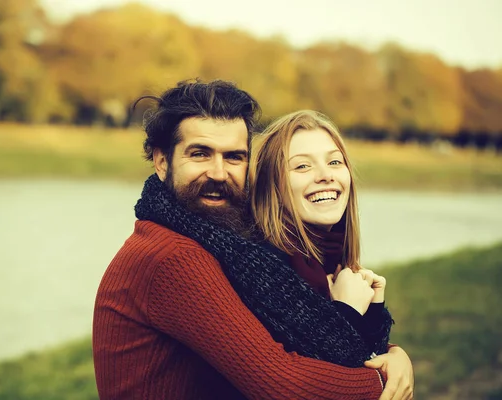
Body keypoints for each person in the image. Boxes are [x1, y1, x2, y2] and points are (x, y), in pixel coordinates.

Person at [92, 79, 414, 399]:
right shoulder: (173, 256)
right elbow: (282, 385)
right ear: (162, 162)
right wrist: (383, 379)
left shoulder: (223, 243)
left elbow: (279, 337)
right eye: (200, 154)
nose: (218, 173)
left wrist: (392, 353)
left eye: (234, 157)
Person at [251, 110, 412, 397]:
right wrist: (347, 309)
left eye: (334, 162)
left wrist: (388, 344)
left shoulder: (330, 262)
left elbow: (361, 355)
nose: (325, 176)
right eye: (302, 167)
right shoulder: (262, 268)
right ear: (271, 186)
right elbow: (312, 384)